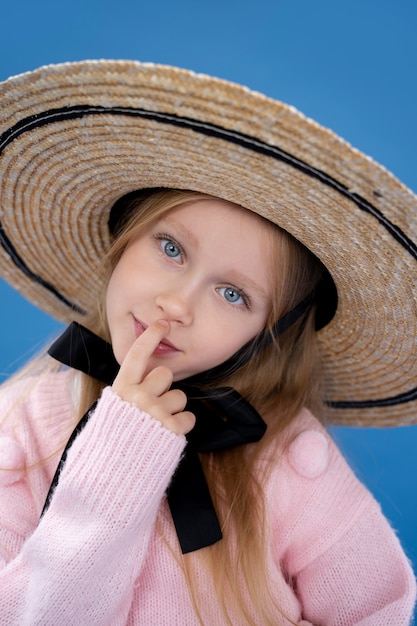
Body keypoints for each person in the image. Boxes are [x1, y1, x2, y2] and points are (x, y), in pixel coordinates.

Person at [0, 60, 415, 626]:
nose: (177, 305)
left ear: (267, 335)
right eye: (170, 248)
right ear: (124, 240)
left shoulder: (287, 458)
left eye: (232, 294)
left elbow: (378, 610)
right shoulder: (23, 427)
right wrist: (118, 458)